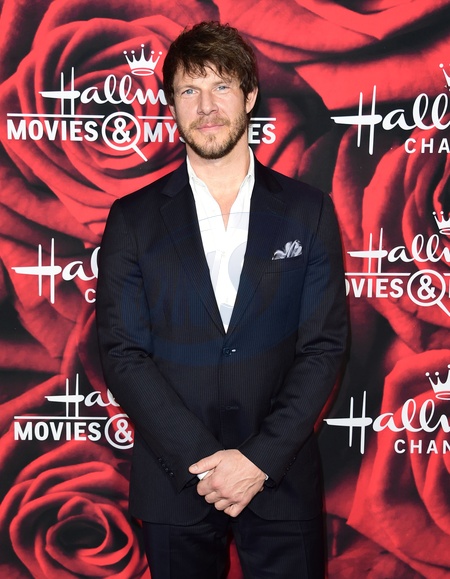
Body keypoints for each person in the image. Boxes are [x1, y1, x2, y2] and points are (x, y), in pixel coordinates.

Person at [96, 21, 348, 579]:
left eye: (222, 86)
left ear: (250, 96)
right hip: (175, 483)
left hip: (280, 479)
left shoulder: (308, 210)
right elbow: (122, 351)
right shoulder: (133, 219)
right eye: (190, 90)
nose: (206, 106)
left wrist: (258, 460)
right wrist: (202, 462)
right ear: (171, 105)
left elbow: (324, 346)